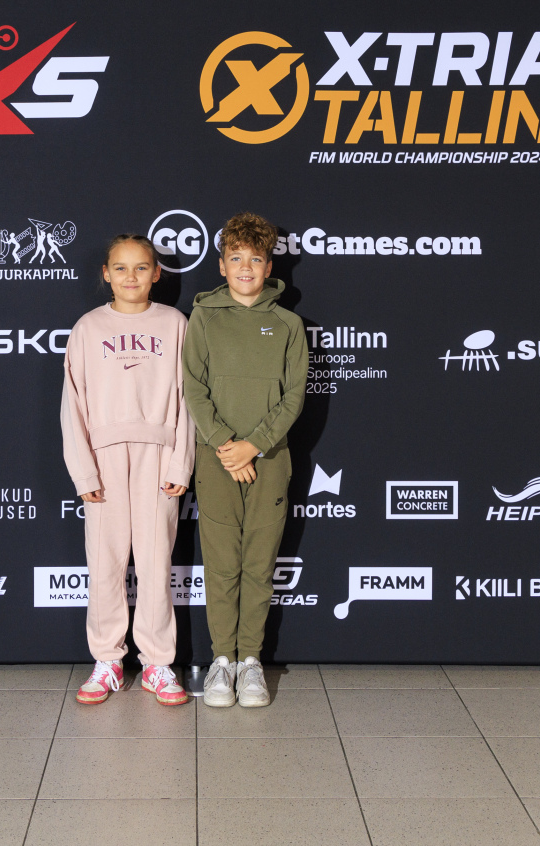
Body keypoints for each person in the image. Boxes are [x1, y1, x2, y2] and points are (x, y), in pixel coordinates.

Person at [61, 234, 193, 706]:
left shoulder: (175, 323)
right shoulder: (88, 327)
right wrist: (84, 472)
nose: (130, 276)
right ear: (106, 273)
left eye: (141, 267)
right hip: (104, 459)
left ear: (156, 273)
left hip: (159, 454)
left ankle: (157, 664)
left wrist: (181, 462)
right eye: (120, 267)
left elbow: (189, 401)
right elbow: (72, 405)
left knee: (156, 563)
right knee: (105, 564)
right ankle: (107, 661)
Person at [183, 212, 307, 708]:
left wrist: (253, 445)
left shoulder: (289, 324)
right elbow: (193, 387)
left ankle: (250, 660)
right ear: (221, 266)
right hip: (215, 458)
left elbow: (294, 396)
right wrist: (225, 445)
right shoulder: (204, 318)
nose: (246, 268)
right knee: (221, 565)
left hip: (269, 458)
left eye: (255, 259)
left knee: (259, 563)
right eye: (236, 258)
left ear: (269, 266)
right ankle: (222, 661)